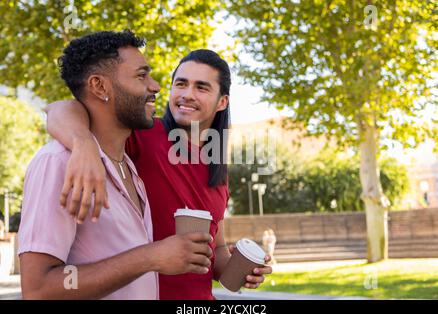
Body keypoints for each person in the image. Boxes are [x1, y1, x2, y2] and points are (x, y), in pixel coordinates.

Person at [46, 48, 273, 300]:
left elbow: (214, 248)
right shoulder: (143, 132)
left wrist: (239, 269)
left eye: (201, 87)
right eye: (181, 84)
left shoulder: (217, 166)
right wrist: (82, 144)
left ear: (222, 102)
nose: (187, 94)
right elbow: (59, 109)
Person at [18, 30, 212, 300]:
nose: (155, 86)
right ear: (100, 87)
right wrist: (150, 257)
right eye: (141, 75)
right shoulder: (58, 163)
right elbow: (38, 289)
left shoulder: (130, 168)